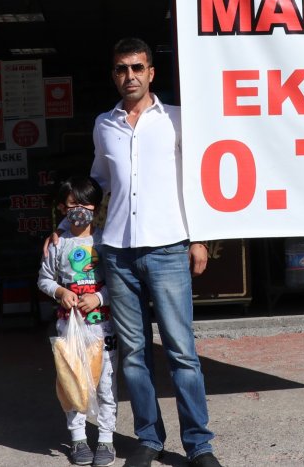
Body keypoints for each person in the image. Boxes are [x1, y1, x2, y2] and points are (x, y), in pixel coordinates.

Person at [91, 37, 222, 467]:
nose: (129, 76)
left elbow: (199, 181)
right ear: (113, 74)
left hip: (168, 247)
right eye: (121, 68)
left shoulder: (177, 120)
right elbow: (99, 184)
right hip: (118, 252)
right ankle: (148, 438)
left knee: (181, 351)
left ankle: (199, 445)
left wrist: (200, 237)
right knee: (133, 355)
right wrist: (64, 229)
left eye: (137, 67)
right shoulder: (103, 124)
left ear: (151, 72)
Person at [38, 176, 118, 467]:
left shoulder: (106, 242)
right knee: (73, 382)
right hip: (69, 327)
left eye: (86, 203)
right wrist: (60, 292)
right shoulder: (57, 244)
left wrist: (99, 297)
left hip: (103, 327)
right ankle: (78, 439)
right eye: (73, 204)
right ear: (62, 208)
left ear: (96, 207)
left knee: (106, 384)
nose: (80, 210)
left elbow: (118, 282)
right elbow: (44, 279)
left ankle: (106, 439)